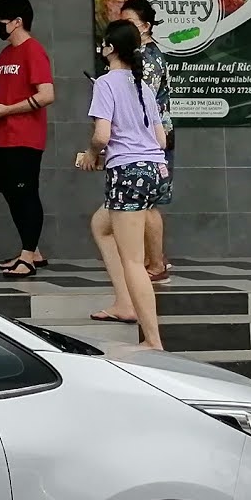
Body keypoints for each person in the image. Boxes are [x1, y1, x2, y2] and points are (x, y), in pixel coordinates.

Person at [75, 20, 169, 351]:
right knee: (101, 226)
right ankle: (124, 304)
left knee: (133, 260)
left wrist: (91, 154)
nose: (101, 49)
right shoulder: (143, 85)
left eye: (104, 44)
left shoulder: (105, 83)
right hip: (154, 170)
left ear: (112, 48)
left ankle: (153, 340)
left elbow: (101, 135)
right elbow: (160, 136)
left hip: (127, 172)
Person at [0, 0, 55, 278]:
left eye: (1, 20)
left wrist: (7, 109)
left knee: (26, 193)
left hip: (26, 136)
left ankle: (27, 255)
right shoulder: (6, 54)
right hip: (3, 135)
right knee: (11, 193)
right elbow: (7, 91)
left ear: (17, 21)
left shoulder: (33, 51)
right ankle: (32, 249)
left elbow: (46, 94)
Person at [119, 0, 175, 284]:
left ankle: (155, 265)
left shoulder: (147, 58)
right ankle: (154, 260)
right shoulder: (137, 55)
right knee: (144, 203)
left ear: (146, 26)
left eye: (129, 22)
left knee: (149, 203)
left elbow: (142, 100)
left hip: (151, 138)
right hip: (145, 137)